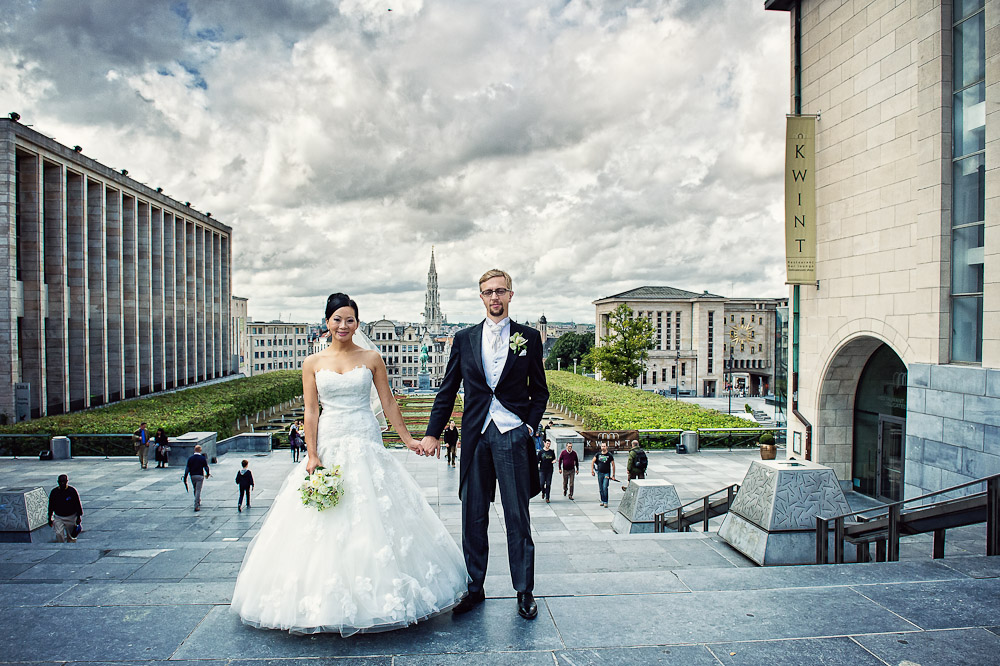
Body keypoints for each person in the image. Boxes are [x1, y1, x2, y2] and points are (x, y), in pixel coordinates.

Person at [231, 293, 467, 636]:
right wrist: (312, 454)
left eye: (350, 319)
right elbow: (311, 411)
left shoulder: (372, 358)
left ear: (358, 323)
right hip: (330, 439)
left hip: (365, 437)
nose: (343, 325)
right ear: (327, 321)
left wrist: (408, 440)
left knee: (374, 508)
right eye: (337, 319)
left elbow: (388, 402)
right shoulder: (312, 362)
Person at [421, 269, 549, 621]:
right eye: (488, 292)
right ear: (481, 297)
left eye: (500, 291)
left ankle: (524, 591)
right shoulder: (463, 338)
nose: (494, 297)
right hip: (476, 436)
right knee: (472, 516)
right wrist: (433, 432)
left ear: (510, 295)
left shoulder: (529, 338)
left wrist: (527, 426)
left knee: (516, 518)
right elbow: (447, 390)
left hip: (511, 434)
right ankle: (475, 588)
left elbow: (540, 391)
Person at [47, 474, 82, 543]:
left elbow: (77, 503)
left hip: (71, 517)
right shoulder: (54, 492)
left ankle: (70, 548)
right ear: (58, 482)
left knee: (71, 537)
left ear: (67, 481)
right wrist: (49, 517)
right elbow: (50, 505)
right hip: (59, 516)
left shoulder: (72, 491)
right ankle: (61, 545)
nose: (62, 484)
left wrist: (78, 516)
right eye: (60, 482)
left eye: (63, 482)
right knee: (58, 533)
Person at [183, 445, 211, 511]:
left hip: (192, 476)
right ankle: (196, 505)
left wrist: (185, 477)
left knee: (195, 489)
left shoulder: (190, 458)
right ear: (200, 450)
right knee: (198, 490)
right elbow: (206, 467)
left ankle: (197, 500)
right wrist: (207, 473)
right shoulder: (202, 458)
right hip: (200, 476)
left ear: (194, 450)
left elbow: (187, 469)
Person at [591, 442, 616, 507]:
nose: (603, 447)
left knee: (605, 487)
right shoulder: (598, 454)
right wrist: (592, 471)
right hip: (600, 473)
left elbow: (613, 464)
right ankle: (602, 500)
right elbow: (593, 461)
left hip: (606, 473)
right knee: (601, 488)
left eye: (604, 446)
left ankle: (605, 501)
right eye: (602, 446)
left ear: (606, 447)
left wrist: (613, 475)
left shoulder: (609, 455)